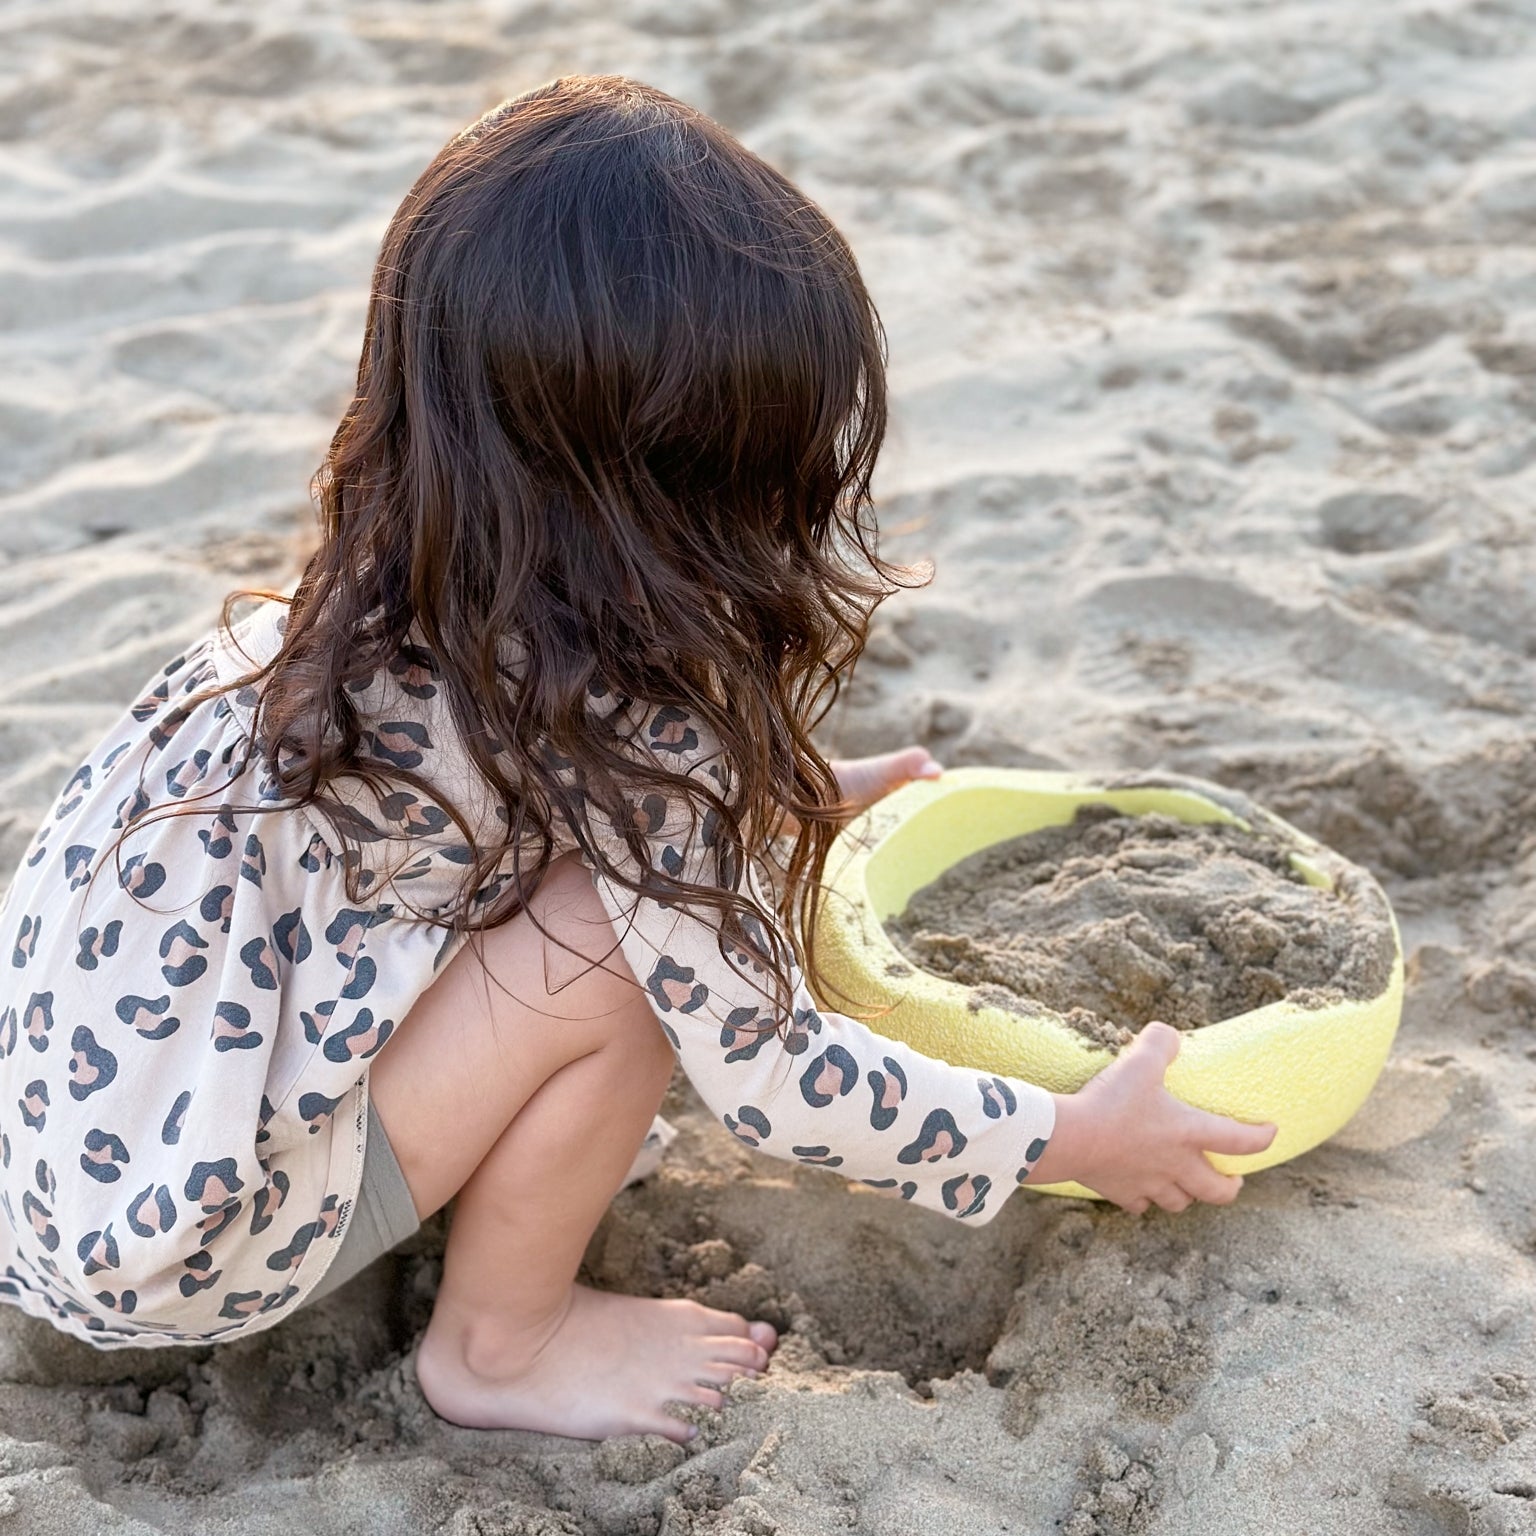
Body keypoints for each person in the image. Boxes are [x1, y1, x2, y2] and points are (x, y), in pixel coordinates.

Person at [0, 74, 1276, 1444]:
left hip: (55, 1168)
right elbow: (773, 1077)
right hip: (193, 1254)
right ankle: (502, 1344)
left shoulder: (325, 622)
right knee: (613, 956)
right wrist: (1074, 1137)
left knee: (616, 903)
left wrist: (777, 807)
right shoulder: (640, 730)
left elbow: (484, 830)